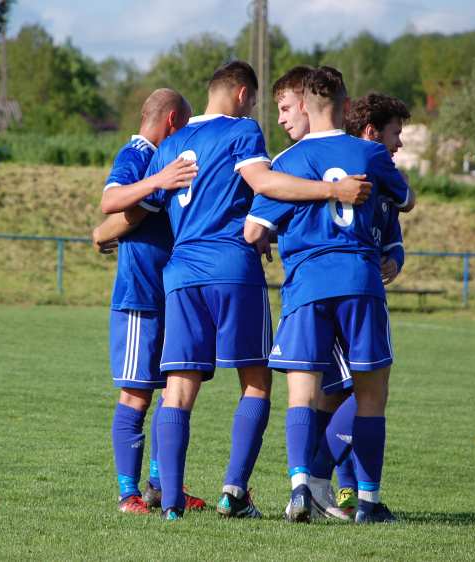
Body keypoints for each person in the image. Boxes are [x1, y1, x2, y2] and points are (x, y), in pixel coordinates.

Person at [130, 61, 372, 521]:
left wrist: (105, 231)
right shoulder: (243, 131)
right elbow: (263, 183)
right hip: (232, 268)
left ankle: (173, 505)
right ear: (243, 94)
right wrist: (331, 190)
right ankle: (234, 491)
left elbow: (137, 207)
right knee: (257, 381)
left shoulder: (173, 143)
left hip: (180, 274)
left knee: (178, 388)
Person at [245, 66, 415, 524]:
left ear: (306, 105)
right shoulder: (369, 152)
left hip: (305, 285)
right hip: (359, 281)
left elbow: (254, 229)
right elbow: (406, 199)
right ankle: (368, 502)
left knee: (302, 394)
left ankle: (301, 489)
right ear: (344, 104)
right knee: (371, 395)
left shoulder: (286, 163)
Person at [90, 88, 207, 515]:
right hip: (140, 295)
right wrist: (157, 183)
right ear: (173, 120)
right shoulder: (138, 151)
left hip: (169, 293)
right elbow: (111, 201)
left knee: (168, 394)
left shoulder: (163, 160)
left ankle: (160, 487)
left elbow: (129, 217)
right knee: (136, 394)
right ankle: (127, 494)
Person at [307, 91, 413, 516]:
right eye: (395, 134)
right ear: (372, 132)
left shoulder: (379, 186)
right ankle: (316, 481)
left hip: (359, 289)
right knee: (359, 391)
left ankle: (347, 497)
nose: (399, 144)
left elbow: (393, 237)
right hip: (341, 293)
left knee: (343, 396)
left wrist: (395, 258)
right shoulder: (352, 171)